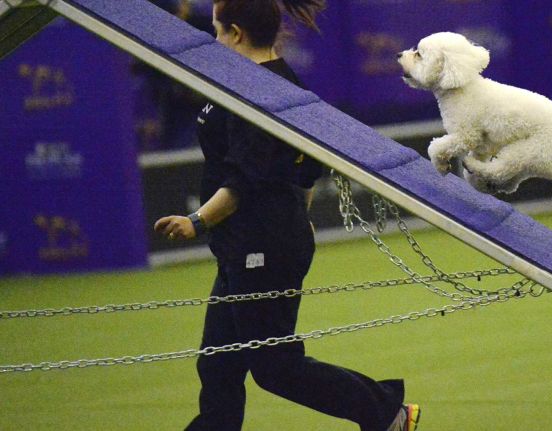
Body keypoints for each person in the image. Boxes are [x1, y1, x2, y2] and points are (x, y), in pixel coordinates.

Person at [152, 1, 420, 430]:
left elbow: (243, 184)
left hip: (263, 247)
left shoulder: (259, 92)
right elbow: (305, 174)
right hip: (250, 245)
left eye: (218, 32)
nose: (215, 42)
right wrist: (294, 215)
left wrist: (197, 221)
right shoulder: (258, 85)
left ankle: (386, 412)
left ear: (236, 33)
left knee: (275, 368)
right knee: (219, 365)